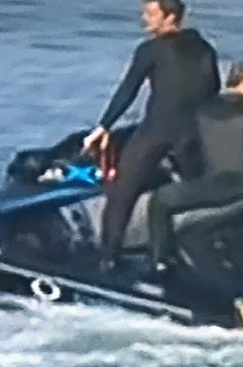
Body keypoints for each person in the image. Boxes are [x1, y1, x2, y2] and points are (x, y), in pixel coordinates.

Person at [82, 0, 220, 271]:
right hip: (194, 133)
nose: (144, 19)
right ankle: (211, 245)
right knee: (201, 191)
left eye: (150, 14)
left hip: (158, 129)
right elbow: (212, 91)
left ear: (170, 17)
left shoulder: (152, 49)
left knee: (122, 192)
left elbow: (128, 89)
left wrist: (104, 126)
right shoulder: (205, 49)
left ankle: (109, 257)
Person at [147, 60, 243, 271]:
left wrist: (195, 179)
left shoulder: (202, 110)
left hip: (213, 187)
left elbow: (185, 150)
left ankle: (162, 261)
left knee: (160, 201)